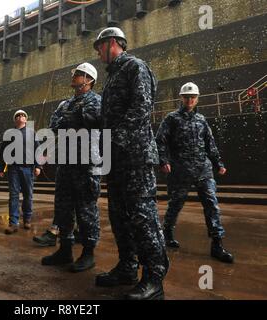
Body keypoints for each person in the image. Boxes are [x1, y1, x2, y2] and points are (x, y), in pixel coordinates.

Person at [93, 27, 168, 300]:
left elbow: (141, 107)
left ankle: (153, 277)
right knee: (119, 217)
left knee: (142, 217)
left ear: (112, 43)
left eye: (99, 47)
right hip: (116, 159)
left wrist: (117, 142)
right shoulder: (112, 77)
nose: (98, 53)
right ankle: (127, 267)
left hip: (135, 157)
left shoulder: (135, 67)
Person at [156, 82, 234, 263]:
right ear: (181, 98)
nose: (190, 100)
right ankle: (167, 233)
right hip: (181, 170)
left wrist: (218, 163)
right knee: (175, 204)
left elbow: (210, 144)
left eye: (193, 97)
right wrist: (163, 160)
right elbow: (160, 140)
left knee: (211, 205)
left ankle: (217, 244)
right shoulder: (171, 119)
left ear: (197, 99)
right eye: (187, 97)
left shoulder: (201, 120)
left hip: (203, 170)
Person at [41, 63, 102, 273]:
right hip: (66, 163)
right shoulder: (65, 104)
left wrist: (75, 120)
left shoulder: (97, 101)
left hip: (86, 164)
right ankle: (65, 250)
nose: (73, 76)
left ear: (88, 79)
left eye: (77, 74)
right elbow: (54, 125)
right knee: (63, 208)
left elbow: (95, 124)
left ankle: (88, 253)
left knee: (86, 209)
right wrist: (75, 120)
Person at [0, 110, 42, 234]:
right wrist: (1, 168)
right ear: (15, 120)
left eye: (23, 115)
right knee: (14, 195)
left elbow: (37, 150)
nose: (20, 117)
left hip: (28, 168)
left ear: (26, 119)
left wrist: (38, 166)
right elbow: (3, 152)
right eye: (18, 115)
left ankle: (27, 219)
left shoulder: (32, 133)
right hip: (13, 169)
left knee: (28, 194)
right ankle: (13, 223)